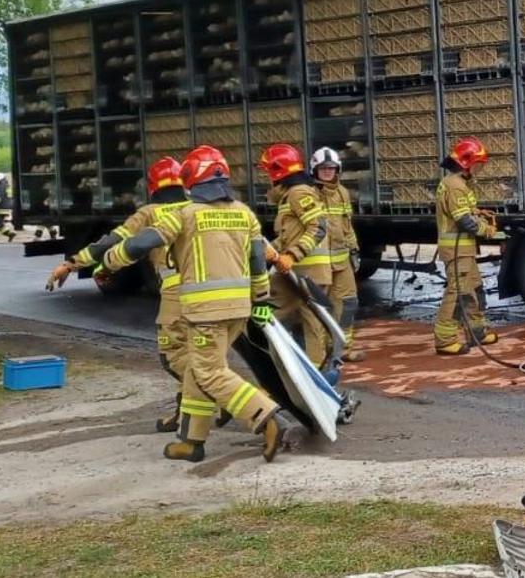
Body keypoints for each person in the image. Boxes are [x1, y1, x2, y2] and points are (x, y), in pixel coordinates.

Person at [56, 145, 301, 463]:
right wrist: (262, 300)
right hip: (239, 310)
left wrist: (110, 262)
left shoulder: (184, 216)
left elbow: (143, 242)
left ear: (192, 181)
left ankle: (267, 418)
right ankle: (191, 441)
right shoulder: (245, 214)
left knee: (209, 373)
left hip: (205, 312)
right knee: (200, 371)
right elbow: (257, 262)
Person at [49, 157, 190, 432]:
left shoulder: (150, 213)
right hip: (207, 293)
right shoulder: (195, 207)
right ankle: (191, 409)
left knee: (172, 357)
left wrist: (71, 263)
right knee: (199, 355)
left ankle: (223, 395)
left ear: (152, 186)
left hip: (176, 295)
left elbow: (114, 241)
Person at [260, 144, 334, 368]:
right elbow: (289, 235)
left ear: (277, 171)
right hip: (294, 272)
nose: (266, 178)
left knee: (308, 324)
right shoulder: (288, 197)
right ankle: (293, 372)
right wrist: (267, 249)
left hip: (307, 272)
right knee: (277, 317)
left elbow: (318, 227)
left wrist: (292, 255)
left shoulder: (298, 192)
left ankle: (315, 378)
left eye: (267, 172)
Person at [434, 138, 499, 354]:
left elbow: (465, 213)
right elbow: (464, 221)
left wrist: (478, 212)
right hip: (456, 250)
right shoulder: (455, 186)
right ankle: (445, 340)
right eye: (478, 164)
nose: (479, 169)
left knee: (474, 288)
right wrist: (487, 230)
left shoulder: (459, 184)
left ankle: (477, 332)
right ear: (466, 162)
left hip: (464, 250)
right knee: (457, 293)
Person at [311, 147, 364, 362]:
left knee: (348, 303)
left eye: (331, 168)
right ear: (314, 170)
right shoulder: (310, 194)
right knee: (321, 308)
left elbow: (347, 225)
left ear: (337, 169)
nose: (327, 172)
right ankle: (322, 352)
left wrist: (354, 250)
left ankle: (342, 348)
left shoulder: (342, 192)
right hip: (320, 264)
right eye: (322, 168)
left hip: (342, 262)